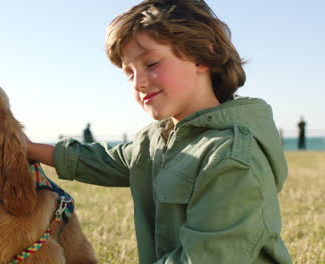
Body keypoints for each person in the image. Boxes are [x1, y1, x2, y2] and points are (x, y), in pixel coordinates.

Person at [26, 0, 291, 263]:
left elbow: (202, 258)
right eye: (129, 73)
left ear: (201, 55)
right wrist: (29, 149)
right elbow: (107, 160)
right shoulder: (155, 139)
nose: (139, 82)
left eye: (151, 64)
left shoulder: (230, 157)